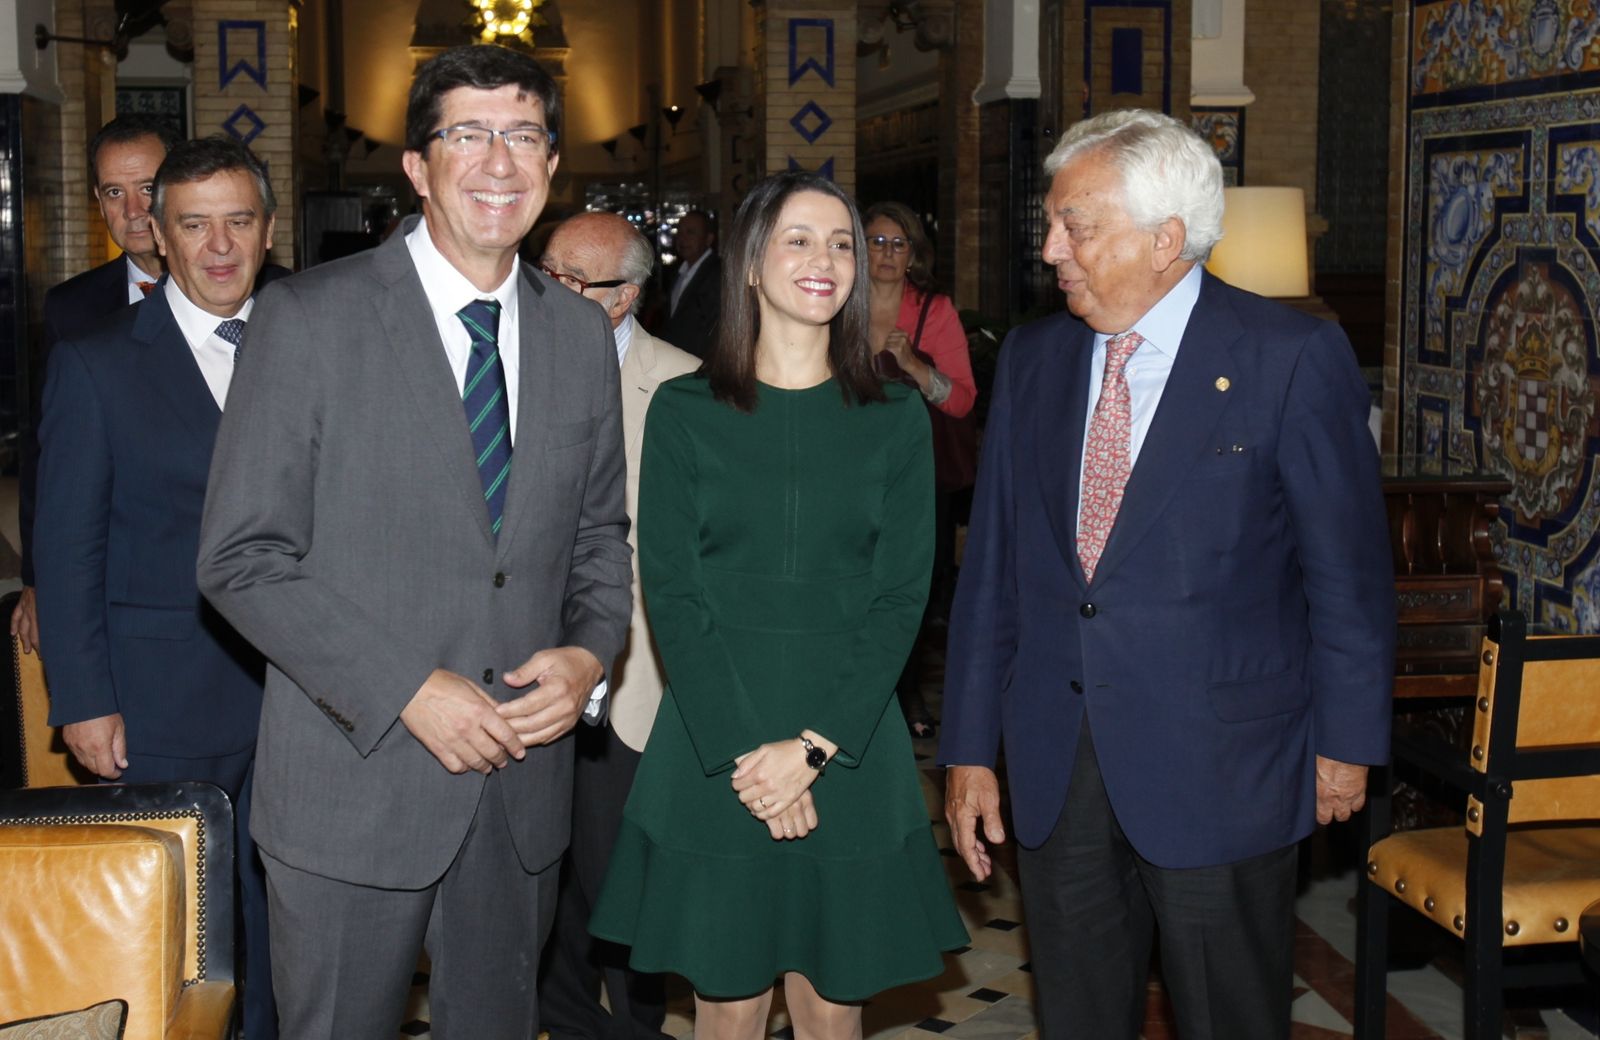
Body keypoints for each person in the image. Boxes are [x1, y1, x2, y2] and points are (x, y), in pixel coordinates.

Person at [196, 44, 633, 1039]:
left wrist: (586, 654)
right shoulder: (309, 316)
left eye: (523, 135)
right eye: (467, 134)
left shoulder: (574, 334)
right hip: (352, 784)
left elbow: (601, 539)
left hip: (519, 790)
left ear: (553, 167)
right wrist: (406, 685)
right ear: (416, 166)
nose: (498, 160)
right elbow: (240, 557)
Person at [939, 108, 1395, 1039]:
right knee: (1078, 1014)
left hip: (1221, 761)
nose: (1051, 246)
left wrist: (1346, 742)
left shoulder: (1287, 357)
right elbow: (992, 571)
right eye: (1054, 222)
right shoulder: (1033, 359)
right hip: (1057, 754)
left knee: (1229, 1015)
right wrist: (969, 747)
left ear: (1165, 240)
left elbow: (1346, 574)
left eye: (1078, 224)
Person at [590, 170, 967, 1039]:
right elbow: (673, 592)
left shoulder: (896, 417)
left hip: (850, 732)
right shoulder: (686, 410)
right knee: (728, 996)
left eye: (841, 242)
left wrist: (813, 746)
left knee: (835, 999)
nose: (826, 259)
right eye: (798, 238)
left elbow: (903, 593)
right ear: (751, 265)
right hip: (720, 734)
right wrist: (752, 756)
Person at [35, 135, 284, 1040]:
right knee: (181, 934)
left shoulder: (313, 340)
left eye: (238, 222)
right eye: (194, 225)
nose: (219, 247)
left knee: (280, 925)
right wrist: (84, 699)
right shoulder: (98, 361)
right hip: (161, 699)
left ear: (267, 230)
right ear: (157, 235)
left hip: (304, 697)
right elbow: (65, 549)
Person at [536, 211, 699, 1040]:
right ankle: (563, 1021)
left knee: (620, 878)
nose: (552, 290)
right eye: (548, 271)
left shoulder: (687, 386)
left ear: (627, 295)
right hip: (517, 674)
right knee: (539, 879)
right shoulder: (498, 361)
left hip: (631, 681)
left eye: (576, 281)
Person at [13, 114, 182, 655]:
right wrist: (37, 582)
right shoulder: (70, 309)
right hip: (121, 583)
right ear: (98, 200)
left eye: (149, 188)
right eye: (115, 191)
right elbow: (45, 459)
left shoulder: (266, 296)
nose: (134, 210)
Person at [863, 201, 978, 739]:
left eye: (897, 243)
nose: (886, 253)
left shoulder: (935, 310)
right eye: (876, 241)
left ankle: (903, 689)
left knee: (909, 587)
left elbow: (960, 402)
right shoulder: (836, 302)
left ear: (913, 254)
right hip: (851, 469)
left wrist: (912, 365)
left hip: (918, 474)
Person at [658, 209, 720, 358]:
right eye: (679, 232)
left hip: (700, 365)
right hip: (676, 361)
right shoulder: (678, 272)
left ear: (708, 239)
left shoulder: (718, 274)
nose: (682, 238)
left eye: (690, 232)